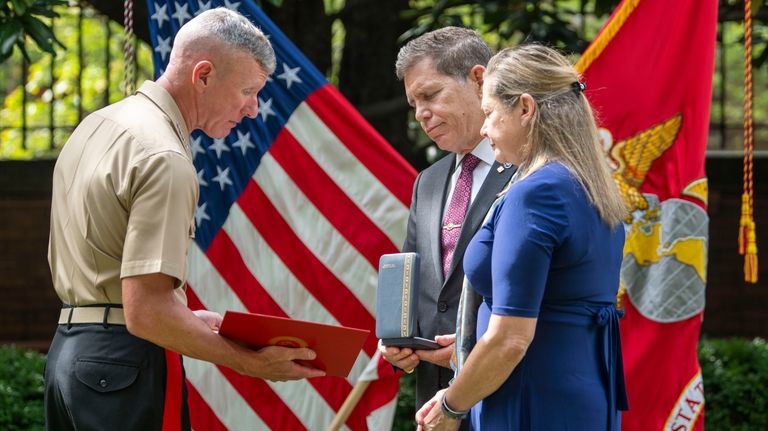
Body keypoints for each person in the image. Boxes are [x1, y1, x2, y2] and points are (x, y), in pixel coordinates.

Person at [44, 8, 324, 430]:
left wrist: (190, 319)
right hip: (124, 365)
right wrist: (248, 362)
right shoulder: (165, 157)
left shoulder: (96, 125)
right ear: (204, 75)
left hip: (69, 356)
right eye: (247, 90)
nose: (252, 110)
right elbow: (146, 312)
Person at [415, 44, 629, 430]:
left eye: (490, 113)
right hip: (580, 391)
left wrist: (450, 406)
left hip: (532, 397)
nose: (484, 128)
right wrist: (466, 350)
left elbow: (510, 339)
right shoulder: (588, 184)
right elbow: (556, 307)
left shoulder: (536, 193)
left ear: (525, 109)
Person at [379, 26, 516, 415]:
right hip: (432, 395)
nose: (421, 114)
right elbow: (411, 274)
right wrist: (396, 341)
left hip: (501, 391)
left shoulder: (528, 169)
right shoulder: (429, 180)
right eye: (413, 103)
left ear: (478, 80)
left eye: (430, 95)